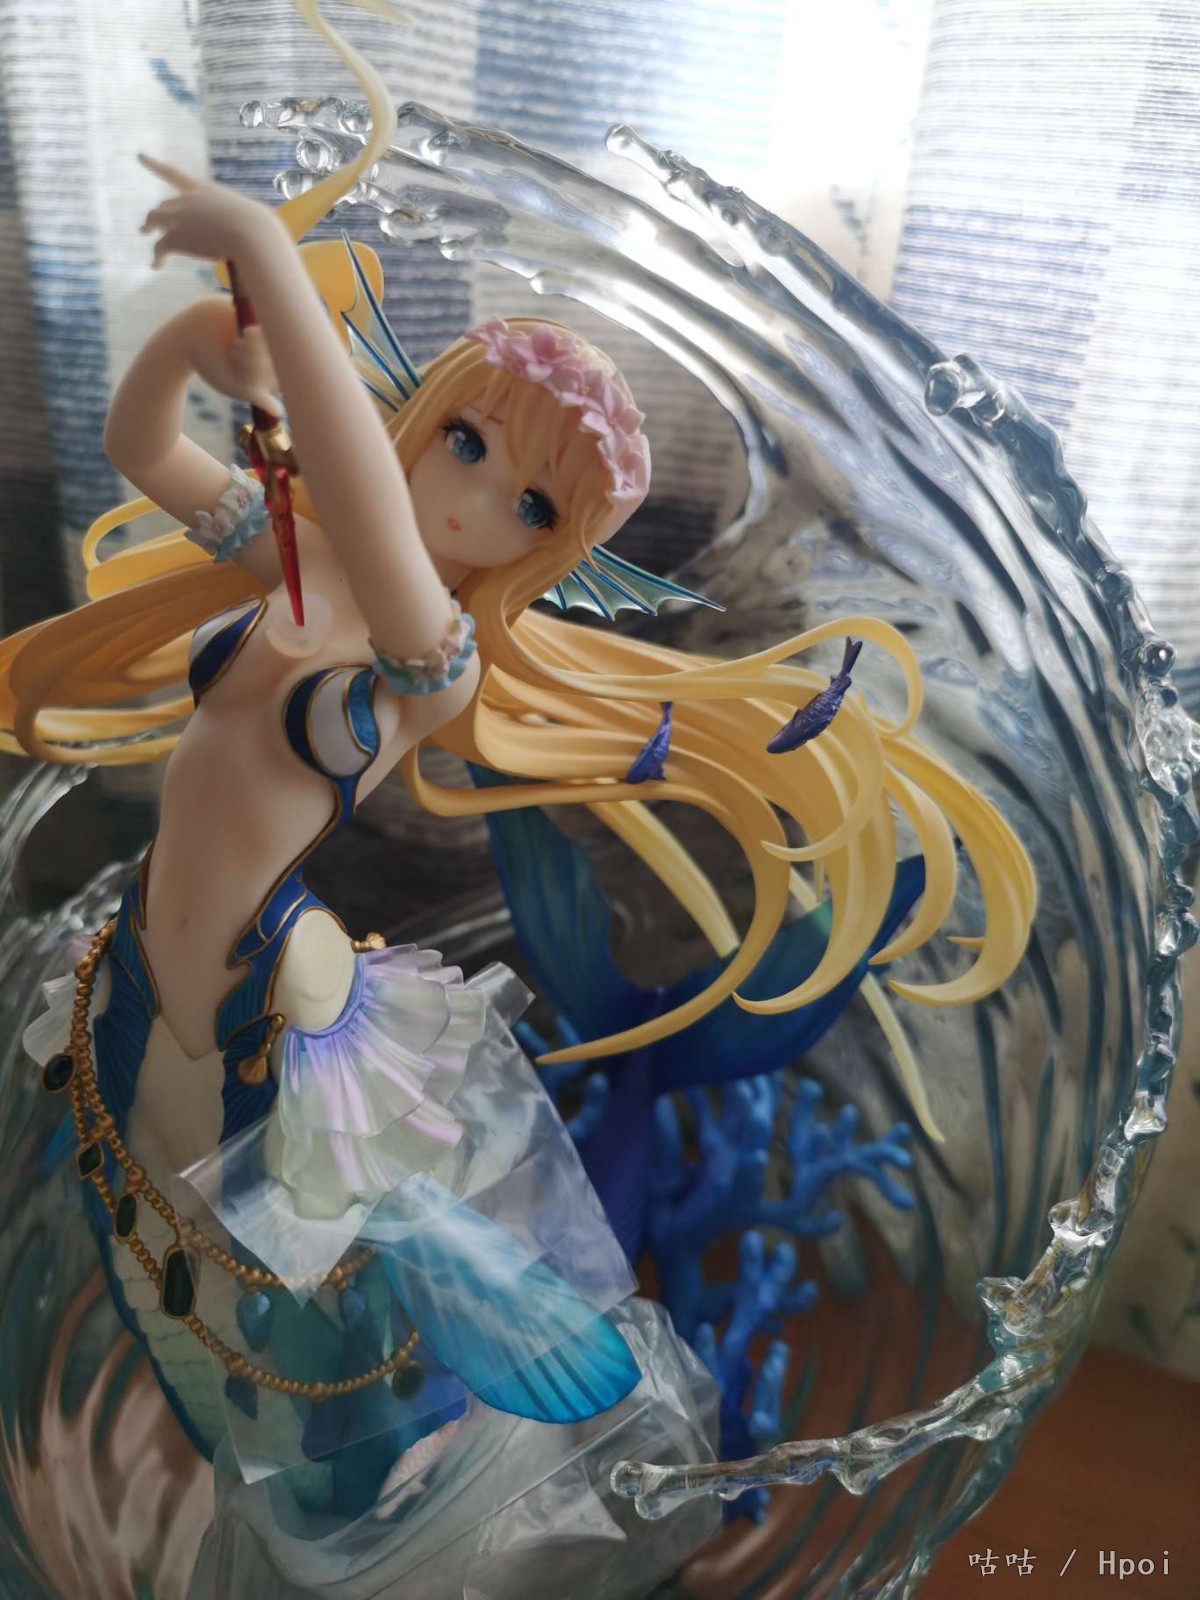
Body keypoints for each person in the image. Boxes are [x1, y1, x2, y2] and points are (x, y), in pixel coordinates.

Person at [5, 2, 1034, 1592]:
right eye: (471, 440)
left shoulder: (430, 654)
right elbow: (147, 445)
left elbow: (363, 487)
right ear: (428, 418)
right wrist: (199, 346)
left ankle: (382, 1466)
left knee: (277, 1331)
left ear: (547, 550)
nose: (477, 495)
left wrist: (268, 262)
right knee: (192, 1300)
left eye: (532, 501)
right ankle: (333, 1486)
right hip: (156, 971)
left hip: (261, 1000)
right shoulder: (295, 563)